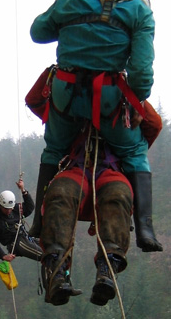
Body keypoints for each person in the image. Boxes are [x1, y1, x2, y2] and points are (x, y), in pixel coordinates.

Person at [29, 0, 163, 252]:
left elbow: (39, 32)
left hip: (65, 91)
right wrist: (137, 101)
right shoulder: (141, 11)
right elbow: (140, 71)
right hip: (108, 97)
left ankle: (38, 224)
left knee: (54, 150)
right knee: (134, 151)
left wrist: (77, 29)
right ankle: (145, 229)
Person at [40, 125, 133, 306]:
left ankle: (108, 268)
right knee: (60, 192)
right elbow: (37, 102)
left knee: (118, 194)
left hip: (110, 167)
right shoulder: (72, 99)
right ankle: (57, 271)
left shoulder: (122, 102)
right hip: (76, 166)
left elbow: (151, 125)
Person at [0, 179, 42, 262]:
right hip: (16, 244)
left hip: (26, 237)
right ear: (0, 205)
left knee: (50, 248)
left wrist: (23, 190)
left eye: (10, 208)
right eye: (6, 209)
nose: (9, 211)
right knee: (44, 255)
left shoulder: (15, 209)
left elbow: (29, 207)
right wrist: (3, 256)